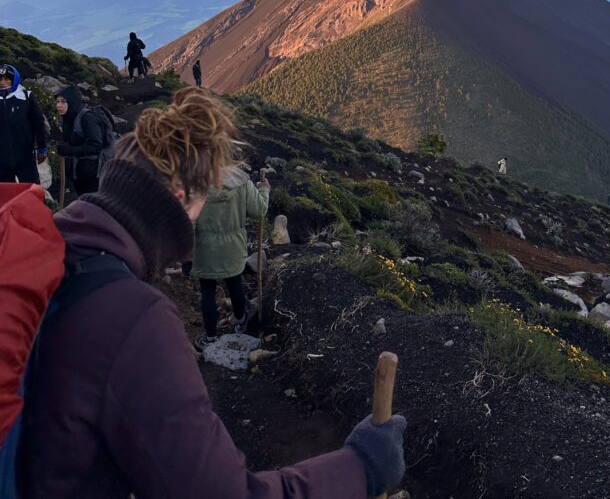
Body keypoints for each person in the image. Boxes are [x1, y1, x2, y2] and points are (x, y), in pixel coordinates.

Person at [20, 87, 406, 499]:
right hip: (230, 258)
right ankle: (237, 325)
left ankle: (212, 333)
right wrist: (359, 467)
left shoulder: (37, 249)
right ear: (181, 196)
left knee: (209, 291)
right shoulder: (135, 321)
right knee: (234, 286)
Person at [192, 164, 268, 350]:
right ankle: (241, 321)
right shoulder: (241, 181)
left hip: (204, 248)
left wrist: (186, 255)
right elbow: (259, 210)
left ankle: (210, 338)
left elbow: (187, 221)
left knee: (207, 290)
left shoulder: (194, 182)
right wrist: (264, 190)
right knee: (234, 282)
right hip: (233, 245)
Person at [0, 63, 48, 184]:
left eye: (6, 79)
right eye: (0, 79)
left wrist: (42, 148)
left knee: (32, 193)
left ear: (13, 79)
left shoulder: (26, 96)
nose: (2, 82)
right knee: (7, 198)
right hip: (2, 161)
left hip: (25, 157)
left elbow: (38, 122)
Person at [54, 85, 103, 196]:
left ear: (72, 102)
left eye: (63, 102)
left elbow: (95, 146)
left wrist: (69, 150)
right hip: (78, 173)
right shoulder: (68, 118)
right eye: (57, 102)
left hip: (93, 175)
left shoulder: (87, 118)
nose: (59, 105)